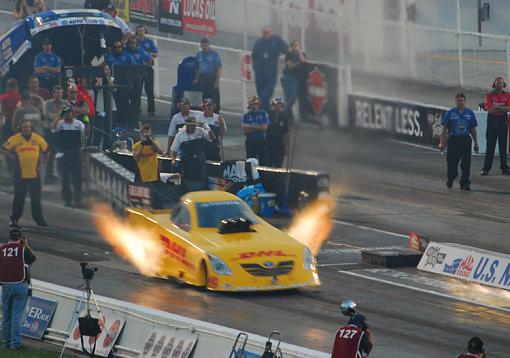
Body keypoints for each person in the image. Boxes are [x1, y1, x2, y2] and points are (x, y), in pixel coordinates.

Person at [2, 119, 48, 227]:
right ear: (20, 129)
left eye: (28, 126)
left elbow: (47, 149)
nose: (26, 128)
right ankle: (14, 219)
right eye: (24, 127)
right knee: (19, 198)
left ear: (31, 128)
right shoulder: (15, 139)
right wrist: (12, 157)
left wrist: (44, 163)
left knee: (36, 198)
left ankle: (38, 218)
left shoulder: (37, 138)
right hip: (20, 173)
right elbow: (3, 148)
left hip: (35, 173)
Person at [1, 226, 36, 350]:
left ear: (9, 236)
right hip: (21, 284)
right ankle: (15, 344)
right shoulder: (22, 249)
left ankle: (5, 342)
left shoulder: (2, 248)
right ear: (20, 237)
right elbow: (32, 259)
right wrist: (26, 245)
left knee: (6, 315)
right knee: (16, 315)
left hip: (5, 284)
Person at [439, 93, 479, 191]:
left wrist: (476, 143)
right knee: (452, 162)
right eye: (458, 100)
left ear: (465, 101)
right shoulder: (450, 113)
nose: (460, 102)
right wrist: (442, 142)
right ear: (455, 101)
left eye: (461, 100)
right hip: (453, 140)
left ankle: (464, 183)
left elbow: (473, 129)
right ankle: (451, 178)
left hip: (465, 140)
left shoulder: (470, 113)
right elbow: (444, 129)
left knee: (466, 163)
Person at [51, 106, 85, 207]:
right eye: (65, 113)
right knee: (65, 178)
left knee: (77, 178)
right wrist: (59, 116)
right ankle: (67, 199)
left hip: (75, 153)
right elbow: (52, 127)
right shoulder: (60, 124)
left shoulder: (79, 124)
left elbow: (83, 139)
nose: (67, 115)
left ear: (72, 114)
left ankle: (78, 199)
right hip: (64, 153)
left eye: (69, 113)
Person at [170, 117, 214, 190]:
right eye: (192, 125)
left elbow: (212, 138)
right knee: (188, 178)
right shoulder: (180, 135)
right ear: (187, 125)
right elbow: (174, 149)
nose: (194, 127)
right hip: (187, 161)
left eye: (195, 125)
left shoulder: (200, 131)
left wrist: (207, 128)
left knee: (201, 177)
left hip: (200, 160)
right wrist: (173, 160)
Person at [251, 26, 289, 110]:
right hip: (260, 73)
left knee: (267, 93)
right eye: (264, 32)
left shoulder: (276, 40)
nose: (266, 34)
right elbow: (253, 57)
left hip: (271, 73)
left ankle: (261, 110)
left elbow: (287, 49)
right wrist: (255, 68)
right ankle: (265, 114)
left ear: (271, 32)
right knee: (261, 94)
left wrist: (291, 58)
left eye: (267, 32)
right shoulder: (258, 43)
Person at [481, 77, 510, 176]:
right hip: (492, 123)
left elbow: (509, 108)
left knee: (503, 147)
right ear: (494, 84)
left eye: (501, 83)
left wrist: (497, 107)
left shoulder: (507, 95)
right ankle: (486, 168)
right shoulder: (489, 96)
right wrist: (503, 108)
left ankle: (504, 168)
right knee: (490, 146)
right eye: (498, 83)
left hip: (503, 122)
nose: (499, 85)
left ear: (504, 84)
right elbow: (489, 110)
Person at [106, 41, 135, 126]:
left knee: (124, 102)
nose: (117, 48)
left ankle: (125, 120)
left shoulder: (127, 56)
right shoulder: (109, 56)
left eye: (119, 47)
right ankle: (116, 120)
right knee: (115, 102)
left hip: (124, 81)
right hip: (112, 80)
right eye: (115, 47)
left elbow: (134, 67)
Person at [193, 38, 222, 112]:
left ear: (209, 44)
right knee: (204, 97)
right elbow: (197, 67)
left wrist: (217, 82)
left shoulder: (215, 55)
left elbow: (219, 68)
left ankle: (215, 113)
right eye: (203, 45)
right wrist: (197, 79)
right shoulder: (199, 54)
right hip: (202, 78)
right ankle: (204, 112)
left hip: (212, 78)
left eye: (206, 45)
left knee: (214, 98)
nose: (204, 47)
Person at [126, 36, 152, 116]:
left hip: (137, 78)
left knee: (136, 97)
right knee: (127, 96)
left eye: (134, 43)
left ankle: (136, 113)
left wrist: (144, 69)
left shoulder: (140, 51)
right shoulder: (125, 51)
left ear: (136, 44)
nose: (132, 45)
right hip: (127, 77)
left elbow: (150, 58)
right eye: (131, 43)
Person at [44, 85, 65, 182]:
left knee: (62, 152)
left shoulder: (66, 103)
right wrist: (60, 115)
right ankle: (48, 175)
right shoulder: (47, 103)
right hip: (50, 131)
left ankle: (62, 173)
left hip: (62, 131)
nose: (59, 94)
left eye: (60, 92)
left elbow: (67, 116)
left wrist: (57, 116)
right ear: (53, 93)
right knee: (50, 153)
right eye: (57, 92)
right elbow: (48, 115)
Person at [136, 25, 158, 116]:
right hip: (138, 68)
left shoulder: (149, 42)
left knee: (149, 90)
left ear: (145, 31)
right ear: (137, 32)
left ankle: (151, 110)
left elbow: (156, 54)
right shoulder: (135, 41)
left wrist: (147, 54)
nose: (141, 32)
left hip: (148, 68)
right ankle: (137, 109)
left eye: (143, 30)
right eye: (139, 30)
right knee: (138, 90)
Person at [282, 40, 306, 121]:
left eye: (298, 45)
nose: (296, 47)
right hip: (287, 77)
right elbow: (290, 66)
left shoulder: (301, 54)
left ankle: (282, 112)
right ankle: (287, 118)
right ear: (292, 46)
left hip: (296, 78)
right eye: (295, 45)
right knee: (288, 98)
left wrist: (299, 52)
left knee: (293, 97)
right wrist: (298, 64)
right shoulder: (289, 54)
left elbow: (303, 61)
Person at [242, 96, 269, 165]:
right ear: (249, 106)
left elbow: (264, 128)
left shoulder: (263, 113)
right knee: (250, 162)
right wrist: (258, 128)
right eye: (252, 104)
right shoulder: (246, 115)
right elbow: (245, 131)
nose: (254, 106)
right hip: (250, 141)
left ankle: (264, 175)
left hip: (261, 140)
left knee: (263, 161)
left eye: (255, 104)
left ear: (258, 105)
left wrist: (250, 127)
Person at [266, 97, 289, 167]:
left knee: (278, 165)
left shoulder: (284, 117)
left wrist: (286, 147)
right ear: (273, 105)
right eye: (276, 104)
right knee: (268, 164)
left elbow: (286, 133)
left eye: (280, 105)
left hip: (279, 145)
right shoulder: (268, 115)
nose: (278, 106)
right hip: (268, 143)